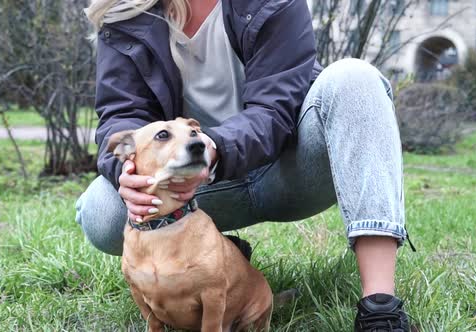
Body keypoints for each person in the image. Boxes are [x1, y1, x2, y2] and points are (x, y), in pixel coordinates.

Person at [75, 0, 412, 330]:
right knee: (102, 211)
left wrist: (215, 146)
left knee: (355, 78)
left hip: (287, 168)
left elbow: (274, 111)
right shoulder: (125, 12)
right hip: (188, 192)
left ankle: (379, 309)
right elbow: (121, 116)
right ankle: (222, 256)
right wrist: (127, 175)